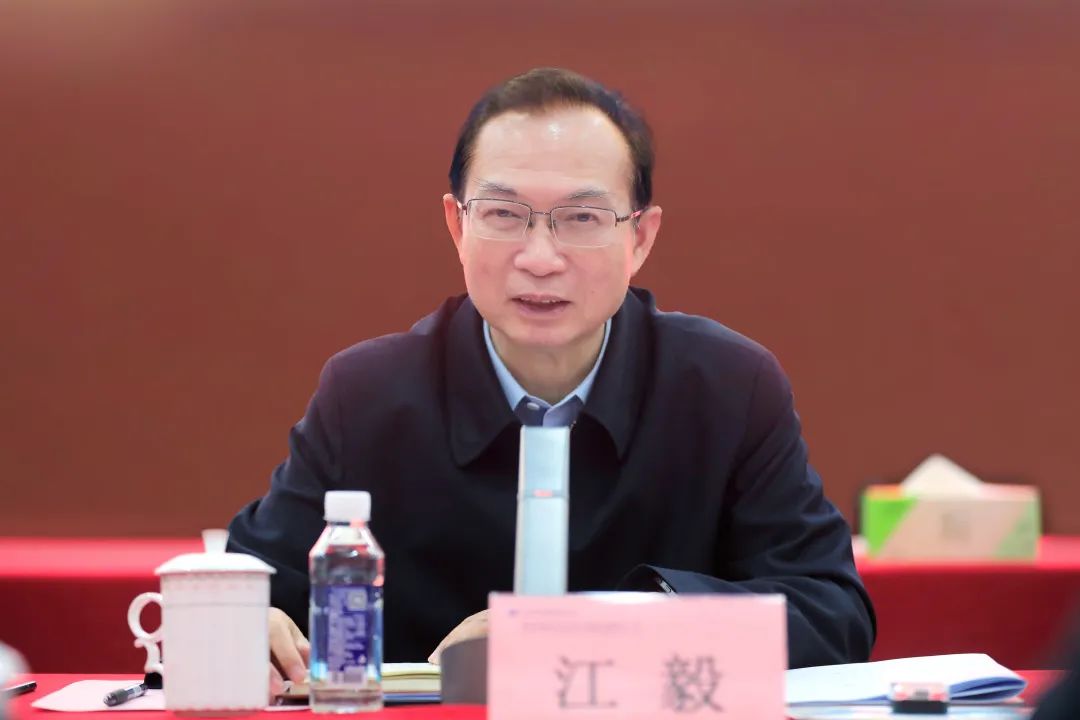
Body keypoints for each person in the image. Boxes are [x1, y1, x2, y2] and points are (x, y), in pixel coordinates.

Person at [227, 67, 876, 693]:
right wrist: (244, 623)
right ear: (457, 225)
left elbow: (829, 614)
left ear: (641, 238)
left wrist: (600, 629)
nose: (540, 259)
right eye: (504, 214)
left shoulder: (727, 388)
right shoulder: (367, 395)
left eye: (582, 219)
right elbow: (249, 587)